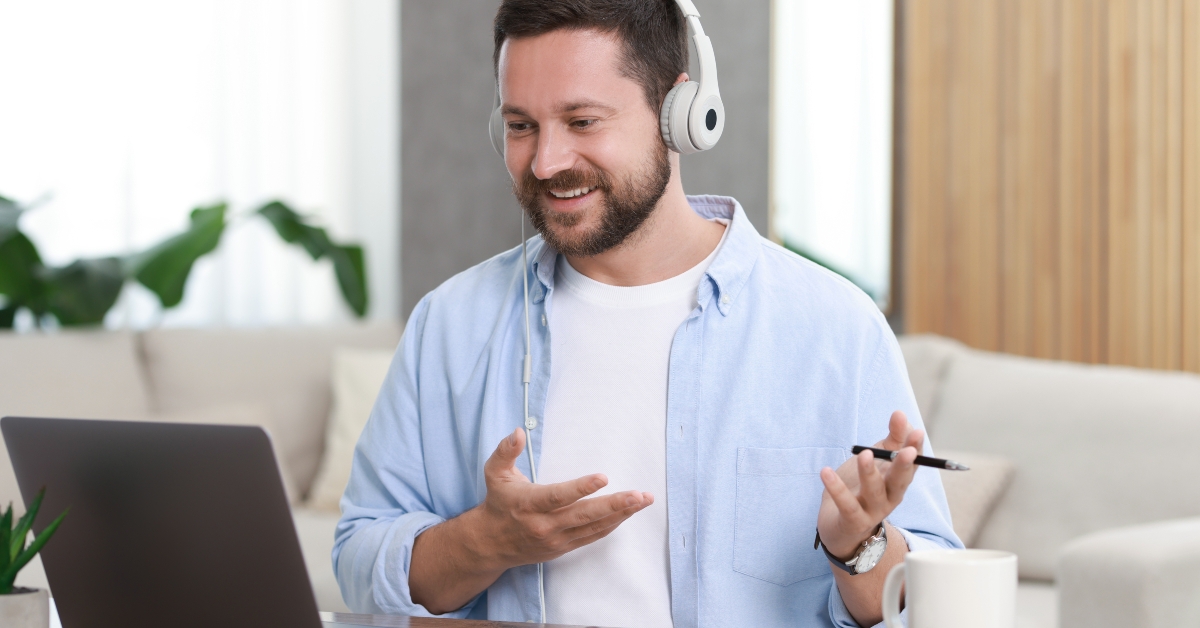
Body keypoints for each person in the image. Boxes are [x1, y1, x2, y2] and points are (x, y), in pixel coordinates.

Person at [332, 1, 961, 626]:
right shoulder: (450, 324)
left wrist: (859, 547)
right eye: (521, 125)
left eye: (581, 121)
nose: (546, 161)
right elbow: (360, 560)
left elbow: (936, 599)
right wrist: (486, 542)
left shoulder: (833, 327)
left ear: (680, 115)